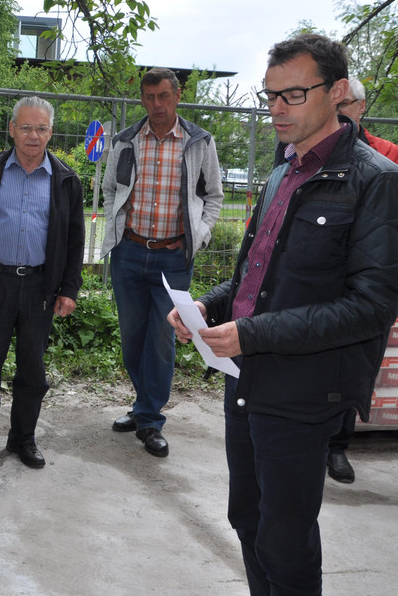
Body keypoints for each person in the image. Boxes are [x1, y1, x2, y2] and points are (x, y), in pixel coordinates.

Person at [169, 33, 398, 596]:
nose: (276, 109)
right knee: (246, 519)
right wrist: (209, 305)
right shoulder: (282, 171)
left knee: (285, 537)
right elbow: (257, 274)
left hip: (304, 390)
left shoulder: (375, 180)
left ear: (337, 92)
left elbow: (371, 307)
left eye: (293, 94)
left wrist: (251, 333)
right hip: (245, 377)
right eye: (270, 95)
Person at [0, 96, 85, 469]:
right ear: (12, 129)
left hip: (41, 287)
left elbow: (75, 240)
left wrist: (69, 289)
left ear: (51, 132)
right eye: (26, 127)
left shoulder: (65, 180)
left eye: (41, 128)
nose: (33, 135)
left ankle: (22, 439)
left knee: (33, 369)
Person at [100, 67, 223, 457]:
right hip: (130, 252)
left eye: (164, 96)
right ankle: (143, 406)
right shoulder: (125, 141)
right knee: (132, 338)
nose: (157, 104)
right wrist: (116, 228)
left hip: (173, 257)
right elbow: (109, 189)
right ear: (142, 99)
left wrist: (199, 235)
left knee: (160, 338)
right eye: (150, 97)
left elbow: (214, 196)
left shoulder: (199, 142)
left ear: (177, 95)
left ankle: (150, 419)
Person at [328, 77, 398, 483]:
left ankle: (338, 445)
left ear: (362, 106)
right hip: (325, 276)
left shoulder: (387, 155)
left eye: (346, 104)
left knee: (356, 366)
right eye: (334, 103)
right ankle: (316, 440)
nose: (339, 111)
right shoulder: (313, 152)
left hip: (367, 280)